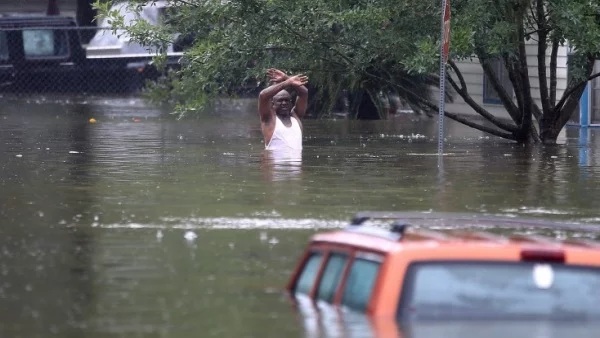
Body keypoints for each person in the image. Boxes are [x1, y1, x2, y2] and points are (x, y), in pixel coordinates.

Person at [258, 68, 309, 151]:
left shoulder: (296, 117)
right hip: (275, 164)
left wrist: (286, 77)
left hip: (295, 164)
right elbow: (263, 96)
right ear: (272, 104)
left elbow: (304, 93)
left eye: (287, 100)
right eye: (280, 100)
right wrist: (287, 82)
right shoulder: (269, 119)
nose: (284, 103)